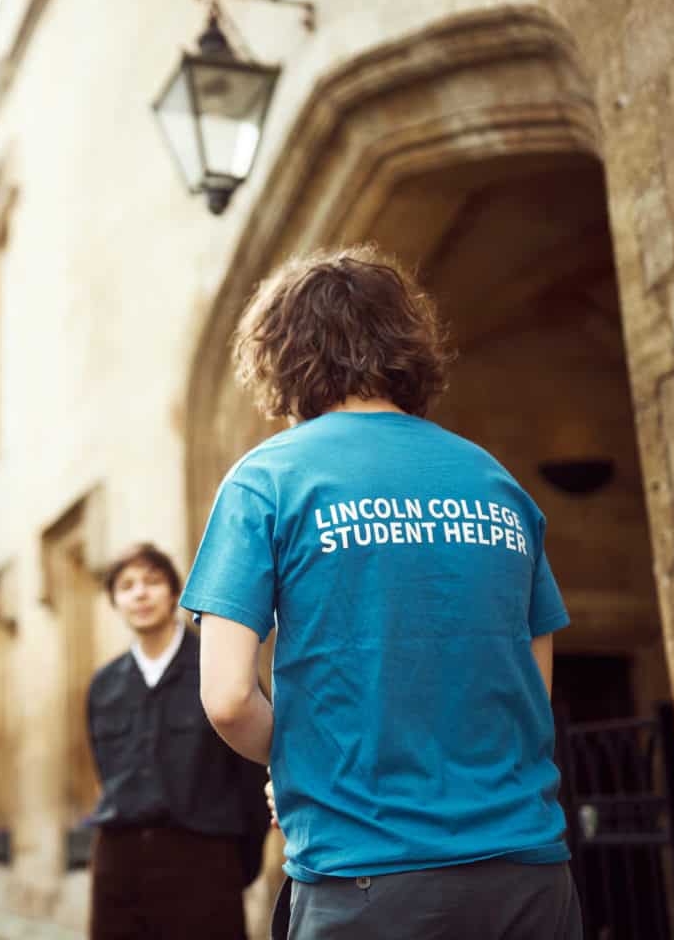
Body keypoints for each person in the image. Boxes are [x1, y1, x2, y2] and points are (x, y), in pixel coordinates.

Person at [181, 245, 583, 939]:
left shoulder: (267, 479)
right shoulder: (494, 480)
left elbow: (225, 697)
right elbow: (530, 682)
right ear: (408, 345)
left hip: (368, 877)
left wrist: (306, 763)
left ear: (281, 354)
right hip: (530, 876)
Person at [86, 542, 270, 940]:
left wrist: (238, 863)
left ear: (173, 593)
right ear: (115, 601)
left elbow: (255, 773)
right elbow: (104, 771)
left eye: (152, 581)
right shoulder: (103, 685)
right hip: (119, 864)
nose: (140, 593)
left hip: (203, 861)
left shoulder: (220, 667)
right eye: (127, 585)